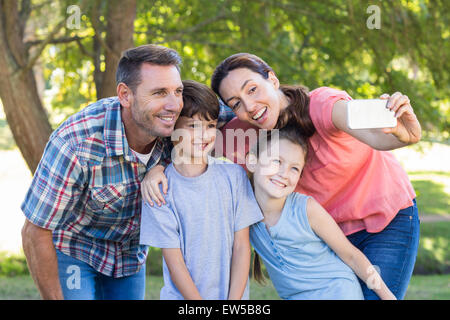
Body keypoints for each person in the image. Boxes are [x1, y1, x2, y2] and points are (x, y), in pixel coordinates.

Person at [209, 52, 421, 300]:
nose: (249, 106)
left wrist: (404, 136)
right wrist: (158, 166)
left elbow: (375, 136)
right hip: (329, 234)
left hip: (387, 220)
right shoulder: (242, 136)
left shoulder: (322, 105)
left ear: (273, 80)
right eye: (235, 103)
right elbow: (187, 140)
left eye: (253, 89)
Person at [20, 44, 184, 300]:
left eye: (178, 91)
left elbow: (238, 117)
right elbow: (35, 230)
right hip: (75, 248)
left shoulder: (183, 126)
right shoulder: (77, 142)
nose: (174, 105)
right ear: (125, 95)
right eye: (160, 92)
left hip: (130, 256)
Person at [139, 80, 263, 300]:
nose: (204, 135)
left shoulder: (234, 176)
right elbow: (174, 260)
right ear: (173, 128)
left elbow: (242, 247)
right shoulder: (159, 189)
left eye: (210, 126)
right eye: (192, 126)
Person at [246, 125, 396, 300]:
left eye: (294, 168)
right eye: (276, 161)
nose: (284, 173)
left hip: (339, 292)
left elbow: (352, 256)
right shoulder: (245, 211)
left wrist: (387, 297)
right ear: (252, 162)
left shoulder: (306, 209)